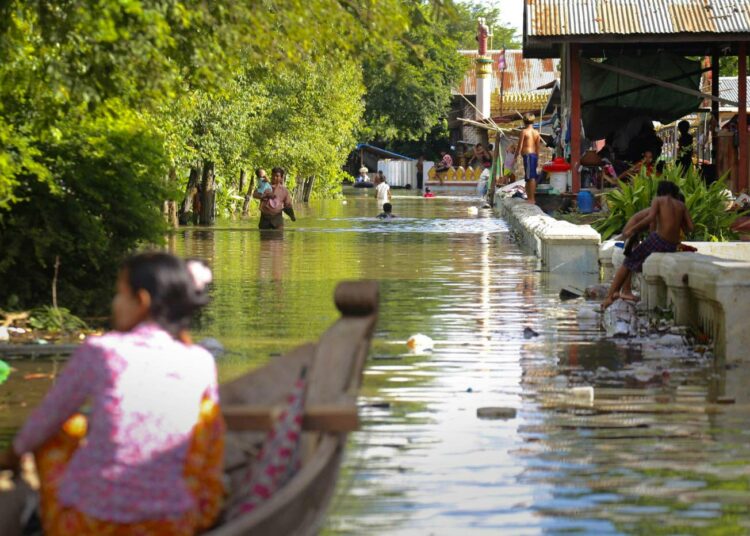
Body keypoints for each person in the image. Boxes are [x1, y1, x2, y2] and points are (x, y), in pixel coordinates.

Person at [1, 252, 224, 534]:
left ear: (141, 302)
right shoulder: (200, 361)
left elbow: (47, 417)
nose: (114, 303)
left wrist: (11, 455)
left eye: (120, 294)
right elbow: (211, 440)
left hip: (88, 525)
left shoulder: (101, 351)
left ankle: (45, 511)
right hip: (174, 524)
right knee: (209, 421)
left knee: (61, 430)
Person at [602, 181, 693, 308]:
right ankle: (624, 291)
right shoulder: (681, 206)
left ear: (660, 192)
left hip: (655, 238)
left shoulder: (659, 200)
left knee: (627, 263)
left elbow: (651, 219)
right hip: (670, 244)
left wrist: (633, 230)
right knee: (631, 259)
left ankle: (609, 297)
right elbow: (690, 227)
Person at [515, 113, 542, 204]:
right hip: (533, 155)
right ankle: (529, 197)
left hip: (528, 156)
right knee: (528, 177)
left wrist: (515, 156)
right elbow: (538, 147)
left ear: (524, 121)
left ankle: (532, 199)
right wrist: (537, 158)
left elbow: (520, 146)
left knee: (531, 177)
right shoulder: (536, 132)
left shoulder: (524, 132)